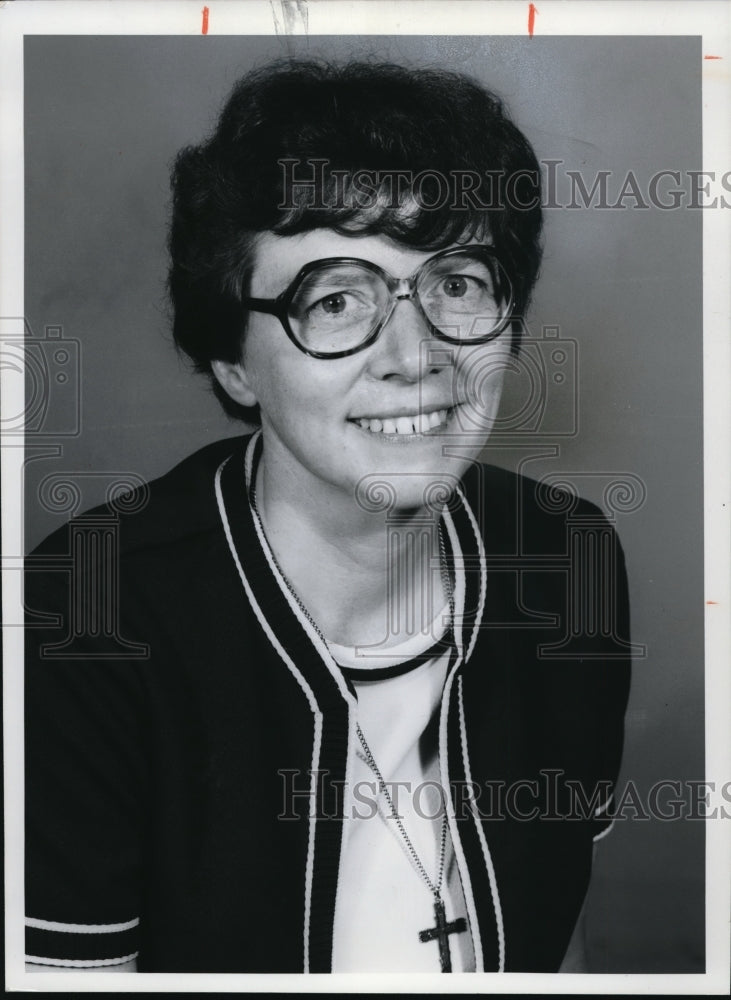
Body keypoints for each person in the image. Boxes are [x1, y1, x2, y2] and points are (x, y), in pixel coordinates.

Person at [24, 59, 631, 974]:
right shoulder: (86, 614)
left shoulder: (568, 557)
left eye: (456, 283)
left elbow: (556, 944)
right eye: (336, 301)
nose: (413, 355)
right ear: (234, 362)